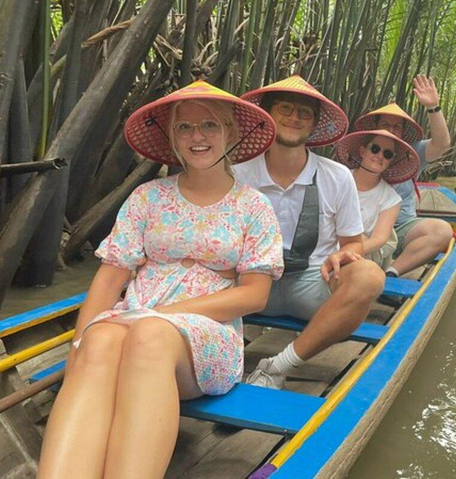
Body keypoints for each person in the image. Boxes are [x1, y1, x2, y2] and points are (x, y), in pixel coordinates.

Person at [37, 81, 284, 478]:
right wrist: (78, 346)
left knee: (150, 334)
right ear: (172, 137)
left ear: (231, 134)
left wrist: (159, 315)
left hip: (206, 337)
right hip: (131, 323)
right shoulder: (148, 197)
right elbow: (109, 277)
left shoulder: (253, 206)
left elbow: (254, 296)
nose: (197, 136)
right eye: (184, 128)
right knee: (100, 338)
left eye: (209, 125)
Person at [233, 75, 386, 390]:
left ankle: (278, 365)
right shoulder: (237, 174)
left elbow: (353, 241)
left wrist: (345, 253)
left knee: (370, 276)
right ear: (268, 115)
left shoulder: (337, 176)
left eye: (304, 113)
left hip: (312, 280)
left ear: (314, 124)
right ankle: (222, 358)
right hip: (250, 281)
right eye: (285, 109)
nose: (294, 118)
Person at [353, 75, 453, 278]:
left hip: (402, 227)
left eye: (396, 127)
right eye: (385, 124)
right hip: (360, 226)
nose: (380, 155)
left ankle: (392, 272)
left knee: (442, 230)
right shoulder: (358, 149)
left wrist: (433, 107)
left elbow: (442, 144)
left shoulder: (411, 153)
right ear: (364, 150)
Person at [333, 129, 420, 270]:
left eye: (387, 154)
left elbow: (378, 240)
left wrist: (344, 253)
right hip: (325, 244)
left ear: (391, 161)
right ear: (362, 151)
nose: (380, 156)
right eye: (375, 149)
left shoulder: (391, 199)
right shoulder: (338, 179)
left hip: (360, 255)